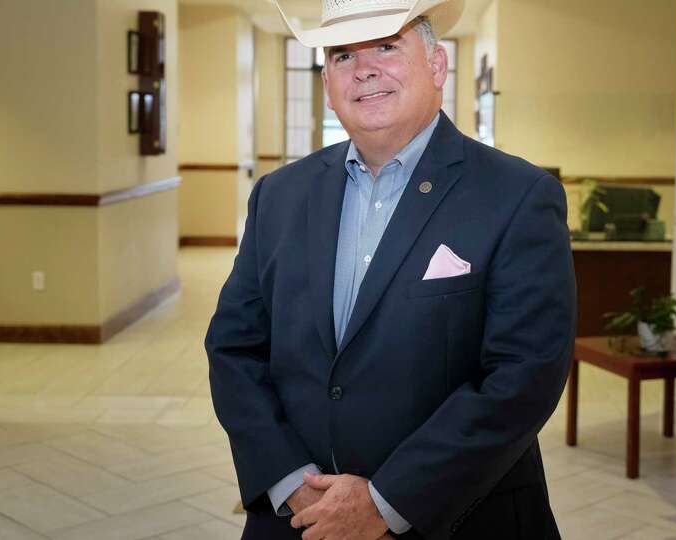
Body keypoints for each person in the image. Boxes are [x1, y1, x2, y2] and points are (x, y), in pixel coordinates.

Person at [205, 1, 576, 538]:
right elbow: (234, 348)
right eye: (341, 55)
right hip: (298, 517)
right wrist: (288, 479)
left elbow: (524, 375)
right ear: (328, 81)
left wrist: (386, 501)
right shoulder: (279, 195)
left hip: (459, 517)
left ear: (437, 65)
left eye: (386, 46)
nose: (364, 69)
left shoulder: (518, 195)